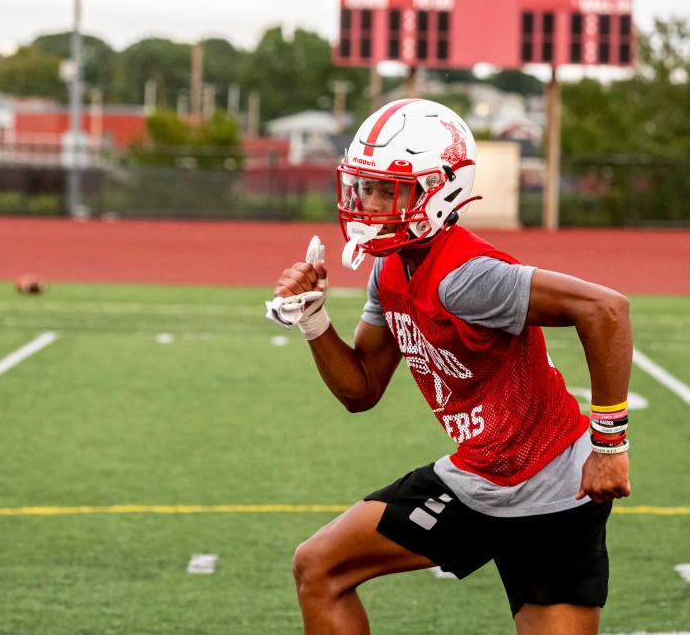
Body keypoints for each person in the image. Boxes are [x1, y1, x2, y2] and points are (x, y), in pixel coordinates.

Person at [271, 98, 632, 635]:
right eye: (364, 186)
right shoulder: (391, 268)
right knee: (318, 566)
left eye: (385, 189)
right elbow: (361, 389)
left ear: (438, 191)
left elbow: (606, 309)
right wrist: (315, 321)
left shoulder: (466, 277)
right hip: (478, 479)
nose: (368, 202)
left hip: (556, 488)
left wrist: (609, 445)